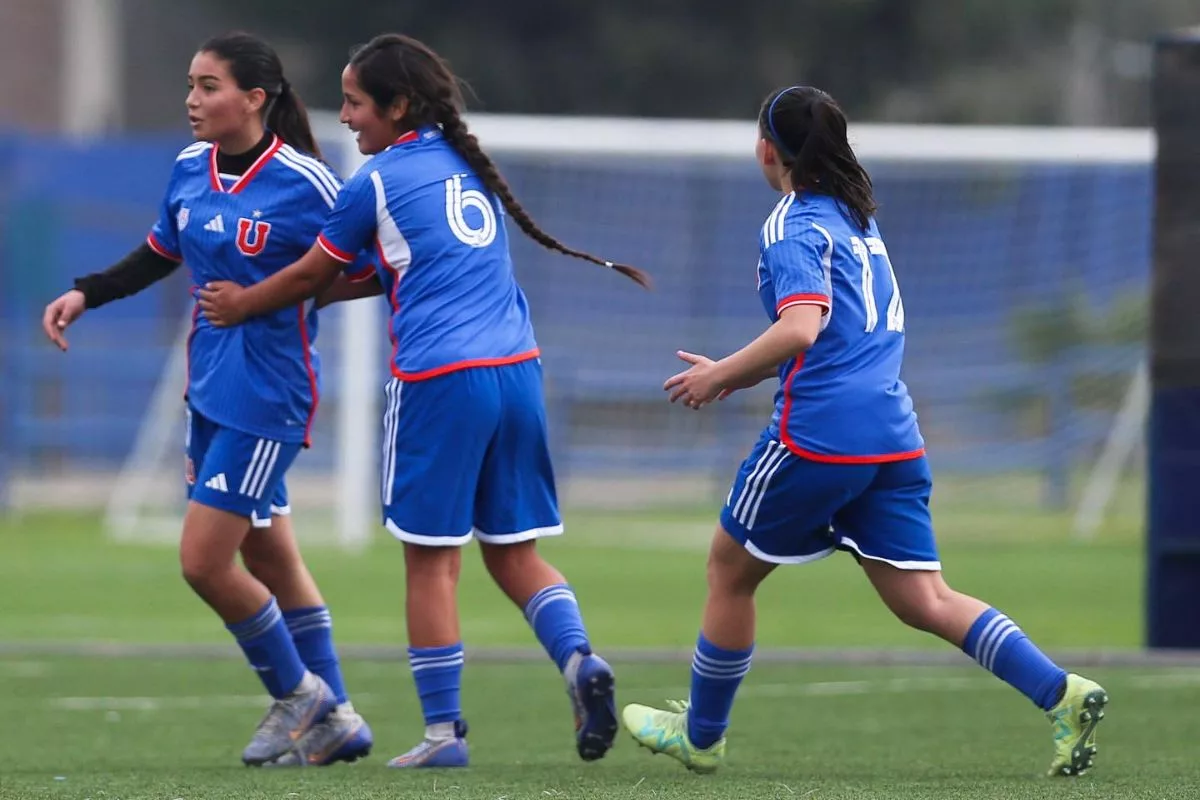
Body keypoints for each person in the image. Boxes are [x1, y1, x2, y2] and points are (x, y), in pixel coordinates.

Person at [619, 85, 1108, 778]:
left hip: (818, 437)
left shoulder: (791, 225)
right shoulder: (858, 220)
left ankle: (701, 736)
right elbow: (830, 335)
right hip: (893, 435)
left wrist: (722, 374)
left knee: (729, 570)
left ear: (767, 149)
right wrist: (740, 372)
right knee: (924, 598)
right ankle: (1062, 693)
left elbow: (800, 328)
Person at [196, 33, 651, 769]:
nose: (344, 118)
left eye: (354, 102)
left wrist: (246, 302)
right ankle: (578, 662)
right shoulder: (464, 166)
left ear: (397, 106)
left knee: (431, 565)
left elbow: (313, 273)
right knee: (515, 555)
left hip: (441, 381)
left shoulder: (373, 184)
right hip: (518, 376)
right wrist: (301, 297)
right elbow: (385, 271)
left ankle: (443, 736)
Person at [40, 31, 378, 768]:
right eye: (191, 84)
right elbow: (162, 250)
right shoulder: (192, 168)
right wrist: (86, 292)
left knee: (201, 561)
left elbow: (379, 267)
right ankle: (341, 719)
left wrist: (269, 298)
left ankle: (300, 696)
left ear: (255, 99)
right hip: (211, 388)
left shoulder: (306, 182)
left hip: (269, 395)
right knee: (270, 554)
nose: (193, 100)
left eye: (209, 86)